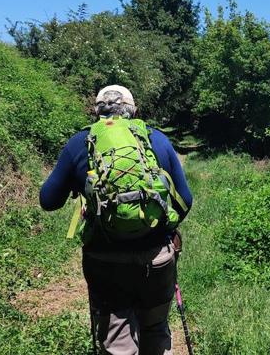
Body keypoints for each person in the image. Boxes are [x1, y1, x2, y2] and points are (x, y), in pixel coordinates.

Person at [40, 85, 194, 355]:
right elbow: (185, 200)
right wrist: (163, 226)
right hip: (156, 258)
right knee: (156, 329)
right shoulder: (155, 139)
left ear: (96, 111)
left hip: (105, 260)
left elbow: (48, 201)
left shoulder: (81, 142)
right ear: (134, 111)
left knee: (117, 342)